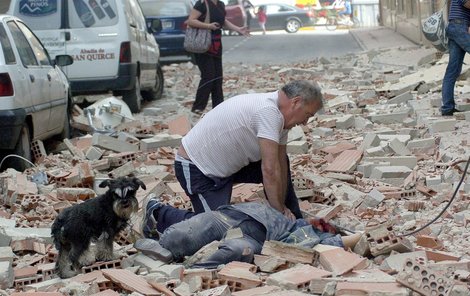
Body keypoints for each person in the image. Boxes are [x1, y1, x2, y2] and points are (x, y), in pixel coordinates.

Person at [141, 80, 323, 238]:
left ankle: (296, 223)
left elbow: (279, 164)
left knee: (279, 161)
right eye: (307, 115)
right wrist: (279, 212)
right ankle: (158, 212)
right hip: (197, 169)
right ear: (296, 102)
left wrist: (288, 212)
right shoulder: (268, 112)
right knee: (215, 229)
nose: (305, 122)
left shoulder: (280, 116)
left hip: (225, 166)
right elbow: (268, 170)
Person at [135, 200, 362, 269]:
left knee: (234, 250)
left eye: (326, 225)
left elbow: (346, 241)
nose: (321, 224)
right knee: (179, 238)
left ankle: (189, 268)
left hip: (256, 242)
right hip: (233, 217)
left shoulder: (319, 240)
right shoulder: (293, 219)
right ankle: (164, 246)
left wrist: (363, 236)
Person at [187, 0, 250, 115]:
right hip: (203, 44)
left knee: (217, 77)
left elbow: (223, 20)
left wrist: (237, 29)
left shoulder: (220, 4)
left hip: (216, 45)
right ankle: (198, 107)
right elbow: (191, 21)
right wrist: (208, 26)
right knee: (208, 75)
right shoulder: (202, 3)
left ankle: (219, 107)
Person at [441, 0, 470, 116]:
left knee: (452, 70)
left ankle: (447, 108)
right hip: (458, 27)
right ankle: (447, 107)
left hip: (457, 27)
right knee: (452, 71)